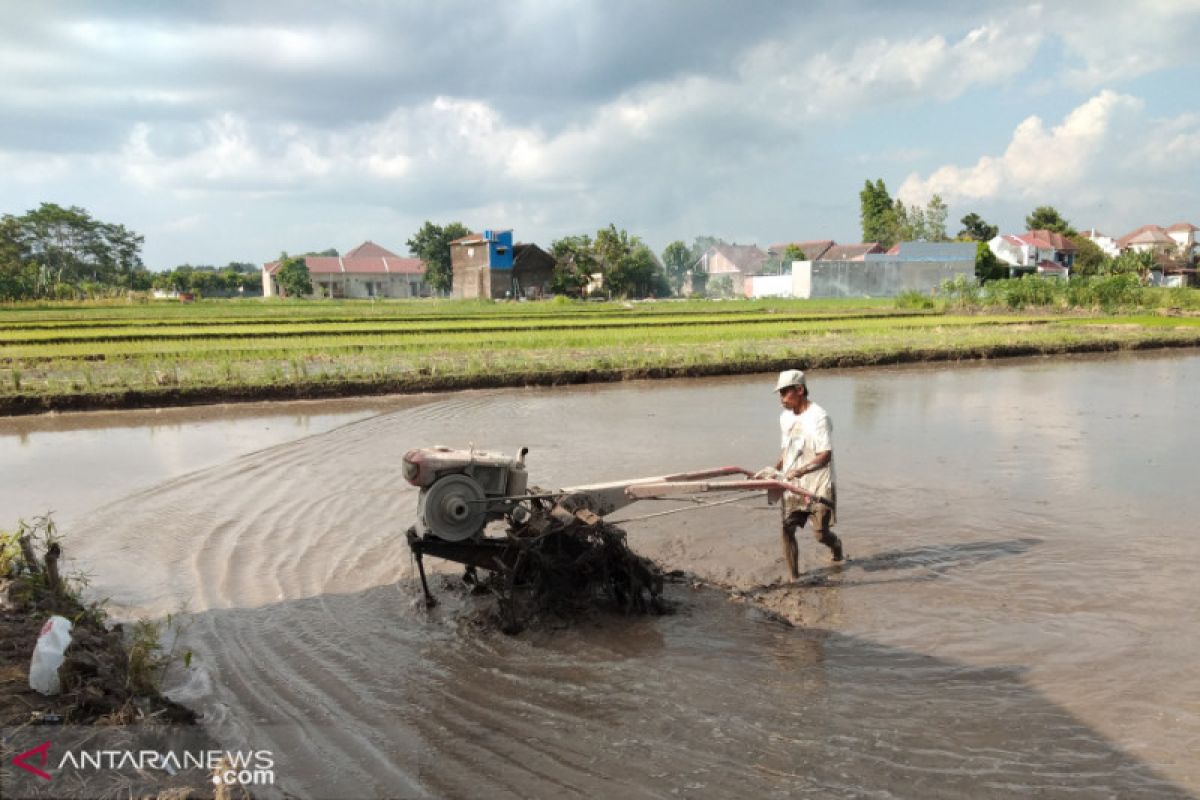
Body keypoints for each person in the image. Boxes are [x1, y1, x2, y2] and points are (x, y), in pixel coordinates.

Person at [761, 368, 844, 578]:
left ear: (799, 389)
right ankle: (794, 577)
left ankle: (837, 548)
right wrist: (774, 470)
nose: (781, 398)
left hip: (818, 483)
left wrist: (800, 470)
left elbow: (825, 455)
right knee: (786, 528)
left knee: (820, 534)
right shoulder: (784, 418)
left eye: (784, 392)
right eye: (779, 393)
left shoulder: (819, 417)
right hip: (793, 485)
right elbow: (786, 450)